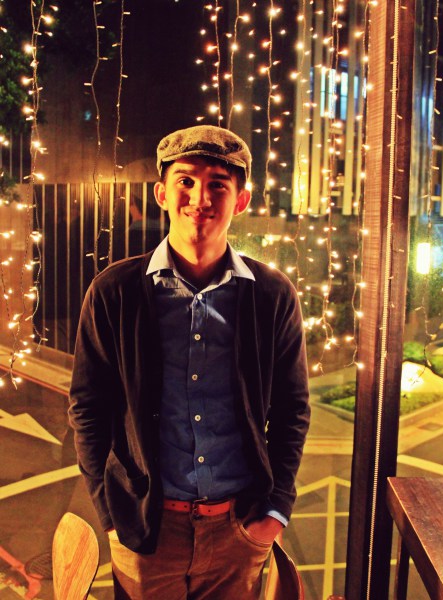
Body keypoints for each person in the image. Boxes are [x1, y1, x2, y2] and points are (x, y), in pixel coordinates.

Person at [69, 124, 310, 599]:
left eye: (218, 184)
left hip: (239, 529)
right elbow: (87, 408)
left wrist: (275, 512)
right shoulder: (114, 291)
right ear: (161, 193)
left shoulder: (272, 295)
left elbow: (292, 410)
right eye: (186, 180)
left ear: (241, 201)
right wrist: (112, 516)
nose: (200, 197)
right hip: (147, 532)